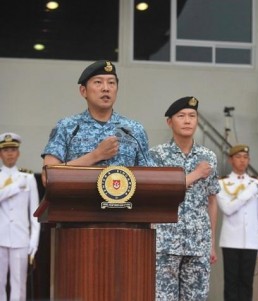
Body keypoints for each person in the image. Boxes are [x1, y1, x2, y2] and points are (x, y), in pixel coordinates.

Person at [149, 96, 220, 300]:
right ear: (169, 122)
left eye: (192, 116)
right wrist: (196, 174)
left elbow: (212, 200)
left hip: (199, 243)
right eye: (181, 116)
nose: (188, 120)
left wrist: (211, 242)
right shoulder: (157, 156)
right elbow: (158, 192)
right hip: (165, 243)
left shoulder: (209, 156)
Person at [41, 60, 153, 169]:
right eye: (98, 82)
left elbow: (149, 176)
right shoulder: (67, 127)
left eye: (111, 83)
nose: (106, 88)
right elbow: (49, 175)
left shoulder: (133, 130)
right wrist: (96, 155)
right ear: (83, 91)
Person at [217, 144, 258, 301]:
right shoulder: (222, 183)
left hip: (251, 242)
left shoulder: (256, 184)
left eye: (245, 157)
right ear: (230, 160)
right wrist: (247, 194)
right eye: (238, 157)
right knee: (231, 283)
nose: (242, 161)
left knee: (247, 283)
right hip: (230, 241)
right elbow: (227, 208)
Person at [0, 133, 40, 301]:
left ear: (19, 153)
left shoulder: (28, 178)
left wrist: (33, 243)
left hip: (21, 238)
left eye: (13, 150)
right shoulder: (18, 181)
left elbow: (35, 214)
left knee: (19, 285)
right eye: (6, 150)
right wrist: (15, 187)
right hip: (0, 237)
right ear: (0, 154)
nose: (10, 153)